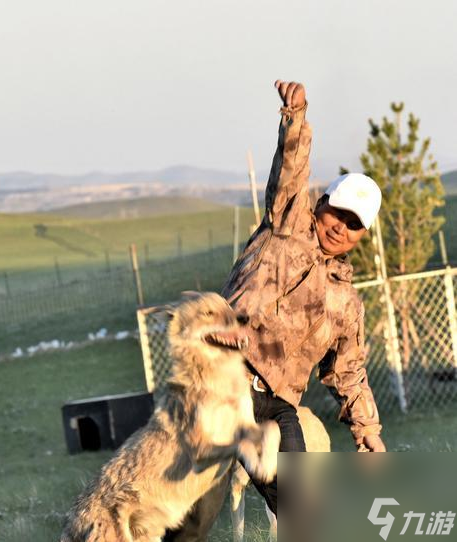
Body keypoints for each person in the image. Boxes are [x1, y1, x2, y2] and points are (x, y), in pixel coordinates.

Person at [164, 80, 386, 542]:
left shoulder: (345, 301)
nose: (340, 228)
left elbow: (348, 371)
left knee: (302, 513)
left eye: (353, 225)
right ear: (321, 203)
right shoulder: (285, 225)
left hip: (275, 405)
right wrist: (296, 116)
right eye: (336, 214)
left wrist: (366, 430)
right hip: (221, 382)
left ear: (362, 234)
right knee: (186, 519)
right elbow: (290, 168)